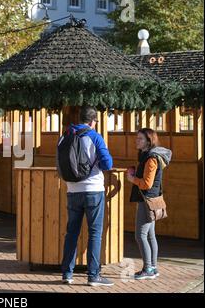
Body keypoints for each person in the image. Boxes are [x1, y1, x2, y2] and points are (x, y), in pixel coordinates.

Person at [58, 106, 114, 287]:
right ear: (93, 121)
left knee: (71, 233)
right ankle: (93, 276)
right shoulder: (95, 137)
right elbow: (107, 164)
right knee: (95, 233)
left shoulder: (65, 136)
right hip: (93, 190)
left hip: (72, 190)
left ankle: (67, 274)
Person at [126, 128, 171, 280]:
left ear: (148, 141)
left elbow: (146, 184)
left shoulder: (151, 158)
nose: (136, 141)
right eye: (137, 138)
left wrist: (132, 179)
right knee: (150, 235)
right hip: (151, 199)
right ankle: (153, 267)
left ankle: (148, 269)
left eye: (140, 139)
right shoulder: (147, 156)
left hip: (147, 200)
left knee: (140, 235)